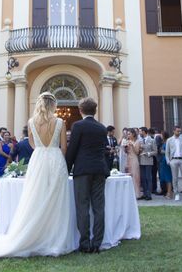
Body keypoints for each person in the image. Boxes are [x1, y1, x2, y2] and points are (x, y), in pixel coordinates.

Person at [0, 92, 74, 259]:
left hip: (38, 158)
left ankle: (35, 233)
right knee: (57, 197)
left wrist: (42, 150)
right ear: (53, 104)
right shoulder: (59, 122)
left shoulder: (31, 122)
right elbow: (64, 147)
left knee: (36, 196)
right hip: (55, 158)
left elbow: (32, 143)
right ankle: (54, 237)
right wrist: (60, 159)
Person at [66, 97, 109, 254]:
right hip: (99, 169)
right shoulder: (102, 128)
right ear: (95, 110)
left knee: (82, 206)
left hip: (83, 170)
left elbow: (72, 149)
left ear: (80, 110)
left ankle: (85, 243)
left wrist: (67, 167)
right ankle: (97, 242)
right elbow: (103, 149)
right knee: (99, 207)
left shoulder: (78, 126)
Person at [165, 125, 182, 201]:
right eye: (177, 131)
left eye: (180, 131)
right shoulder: (169, 140)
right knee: (175, 178)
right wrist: (168, 161)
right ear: (174, 131)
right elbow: (167, 152)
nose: (179, 132)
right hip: (173, 160)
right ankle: (176, 193)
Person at [0, 130, 13, 201]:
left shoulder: (11, 144)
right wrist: (8, 156)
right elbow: (0, 151)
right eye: (5, 135)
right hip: (0, 160)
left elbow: (11, 153)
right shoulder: (0, 142)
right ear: (3, 136)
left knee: (5, 176)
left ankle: (5, 196)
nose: (7, 136)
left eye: (8, 135)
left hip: (7, 161)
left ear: (9, 136)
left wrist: (7, 162)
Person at [122, 128, 141, 199]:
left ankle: (137, 194)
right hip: (128, 159)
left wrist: (132, 145)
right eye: (127, 134)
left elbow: (137, 152)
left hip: (134, 160)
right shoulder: (127, 141)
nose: (128, 135)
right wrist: (125, 148)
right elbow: (126, 152)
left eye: (129, 134)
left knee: (135, 177)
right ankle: (130, 194)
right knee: (129, 176)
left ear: (133, 134)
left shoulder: (137, 142)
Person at [138, 127, 157, 200]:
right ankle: (145, 193)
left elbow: (155, 152)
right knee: (143, 178)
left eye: (140, 131)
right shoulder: (140, 141)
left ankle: (149, 194)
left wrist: (148, 153)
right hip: (141, 161)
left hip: (148, 161)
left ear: (144, 132)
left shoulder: (152, 140)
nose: (139, 133)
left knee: (148, 178)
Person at [159, 131, 173, 198]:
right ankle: (169, 192)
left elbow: (170, 151)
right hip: (163, 161)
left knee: (168, 177)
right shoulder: (164, 142)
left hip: (166, 160)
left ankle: (169, 193)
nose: (160, 136)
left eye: (161, 135)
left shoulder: (168, 141)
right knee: (165, 177)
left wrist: (162, 151)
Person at [150, 128, 162, 195]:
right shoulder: (153, 138)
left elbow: (157, 147)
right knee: (153, 174)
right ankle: (154, 188)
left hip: (158, 159)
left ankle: (161, 189)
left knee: (160, 174)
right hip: (154, 159)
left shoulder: (157, 137)